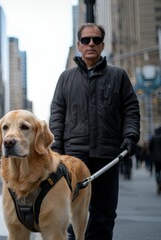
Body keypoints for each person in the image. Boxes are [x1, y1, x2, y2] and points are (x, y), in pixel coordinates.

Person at [49, 23, 140, 240]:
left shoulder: (118, 76)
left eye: (96, 40)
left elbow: (131, 110)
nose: (91, 44)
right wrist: (57, 151)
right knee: (74, 212)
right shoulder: (66, 78)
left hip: (108, 156)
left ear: (102, 45)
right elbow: (57, 114)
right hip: (74, 158)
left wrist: (130, 136)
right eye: (86, 40)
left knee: (104, 215)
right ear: (79, 45)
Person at [149, 126, 161, 194]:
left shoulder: (154, 137)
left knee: (157, 171)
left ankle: (158, 182)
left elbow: (150, 148)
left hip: (156, 158)